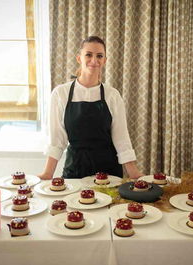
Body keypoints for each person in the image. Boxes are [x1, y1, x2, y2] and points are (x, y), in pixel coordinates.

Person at [38, 36, 142, 180]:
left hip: (108, 174)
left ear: (105, 60)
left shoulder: (112, 95)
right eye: (88, 55)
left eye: (99, 56)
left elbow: (121, 139)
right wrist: (47, 174)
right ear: (79, 58)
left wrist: (135, 175)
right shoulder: (60, 93)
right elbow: (57, 140)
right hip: (75, 171)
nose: (94, 60)